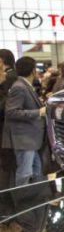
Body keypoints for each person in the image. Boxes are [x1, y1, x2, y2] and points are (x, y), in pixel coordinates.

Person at [3, 56, 46, 185]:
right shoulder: (19, 87)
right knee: (25, 172)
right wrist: (38, 112)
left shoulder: (24, 85)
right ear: (33, 71)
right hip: (24, 138)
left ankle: (34, 199)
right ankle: (22, 202)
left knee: (37, 170)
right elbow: (11, 112)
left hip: (30, 139)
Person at [0, 49, 17, 190]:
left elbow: (6, 106)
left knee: (8, 167)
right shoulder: (13, 77)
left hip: (6, 128)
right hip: (11, 129)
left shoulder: (8, 78)